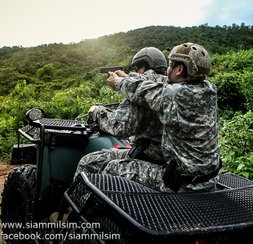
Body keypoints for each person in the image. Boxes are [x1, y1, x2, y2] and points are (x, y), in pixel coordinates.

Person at [100, 42, 221, 192]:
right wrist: (129, 77)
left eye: (171, 64)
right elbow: (157, 87)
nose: (168, 69)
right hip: (208, 180)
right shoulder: (209, 90)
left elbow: (144, 91)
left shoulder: (175, 95)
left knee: (112, 168)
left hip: (185, 185)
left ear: (179, 69)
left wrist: (118, 82)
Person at [74, 47, 168, 178]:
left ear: (142, 67)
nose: (135, 72)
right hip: (164, 158)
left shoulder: (138, 91)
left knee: (87, 163)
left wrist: (96, 111)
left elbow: (120, 127)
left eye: (136, 68)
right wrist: (128, 79)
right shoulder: (169, 85)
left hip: (149, 156)